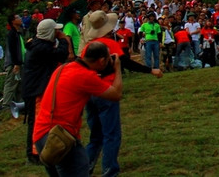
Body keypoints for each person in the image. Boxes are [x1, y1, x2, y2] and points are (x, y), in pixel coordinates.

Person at [81, 9, 162, 177]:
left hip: (90, 93)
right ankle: (109, 171)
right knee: (111, 134)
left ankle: (84, 169)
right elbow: (126, 62)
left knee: (95, 136)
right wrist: (150, 70)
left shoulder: (87, 47)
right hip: (107, 91)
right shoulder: (109, 44)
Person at [33, 41, 123, 176]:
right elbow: (116, 94)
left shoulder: (62, 68)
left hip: (42, 134)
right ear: (102, 60)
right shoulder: (85, 76)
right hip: (62, 138)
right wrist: (117, 68)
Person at [22, 18, 72, 165]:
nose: (58, 32)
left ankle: (38, 151)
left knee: (39, 120)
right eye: (55, 30)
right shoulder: (41, 48)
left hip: (36, 88)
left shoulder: (37, 44)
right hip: (35, 90)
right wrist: (63, 40)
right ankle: (33, 154)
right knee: (37, 121)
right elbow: (61, 55)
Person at [2, 13, 27, 118]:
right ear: (13, 21)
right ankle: (6, 106)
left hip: (20, 63)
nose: (20, 19)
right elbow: (13, 50)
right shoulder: (12, 33)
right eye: (17, 17)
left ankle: (20, 105)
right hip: (14, 64)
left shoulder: (18, 33)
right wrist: (16, 63)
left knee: (20, 85)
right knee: (11, 84)